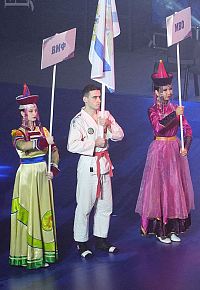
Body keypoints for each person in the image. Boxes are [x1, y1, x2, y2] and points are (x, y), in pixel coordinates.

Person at [135, 61, 194, 243]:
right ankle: (161, 230)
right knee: (161, 188)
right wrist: (174, 114)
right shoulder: (152, 110)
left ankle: (174, 227)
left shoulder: (176, 107)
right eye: (165, 90)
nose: (169, 92)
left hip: (174, 149)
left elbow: (187, 130)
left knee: (175, 187)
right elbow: (158, 127)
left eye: (170, 89)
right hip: (160, 151)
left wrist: (185, 147)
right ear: (157, 92)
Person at [67, 84, 124, 258]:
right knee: (85, 206)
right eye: (94, 97)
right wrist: (94, 143)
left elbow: (120, 135)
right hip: (89, 164)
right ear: (85, 99)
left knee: (105, 205)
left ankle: (101, 239)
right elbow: (71, 145)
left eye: (99, 97)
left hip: (104, 165)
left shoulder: (105, 115)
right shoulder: (78, 120)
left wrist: (108, 125)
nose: (98, 100)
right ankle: (81, 242)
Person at [10, 84, 60, 269]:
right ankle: (27, 254)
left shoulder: (44, 130)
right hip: (27, 176)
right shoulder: (17, 133)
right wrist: (43, 142)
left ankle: (42, 253)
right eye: (30, 110)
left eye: (35, 110)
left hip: (42, 175)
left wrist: (53, 169)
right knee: (28, 212)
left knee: (43, 212)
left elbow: (54, 151)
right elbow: (23, 146)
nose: (34, 113)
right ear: (22, 113)